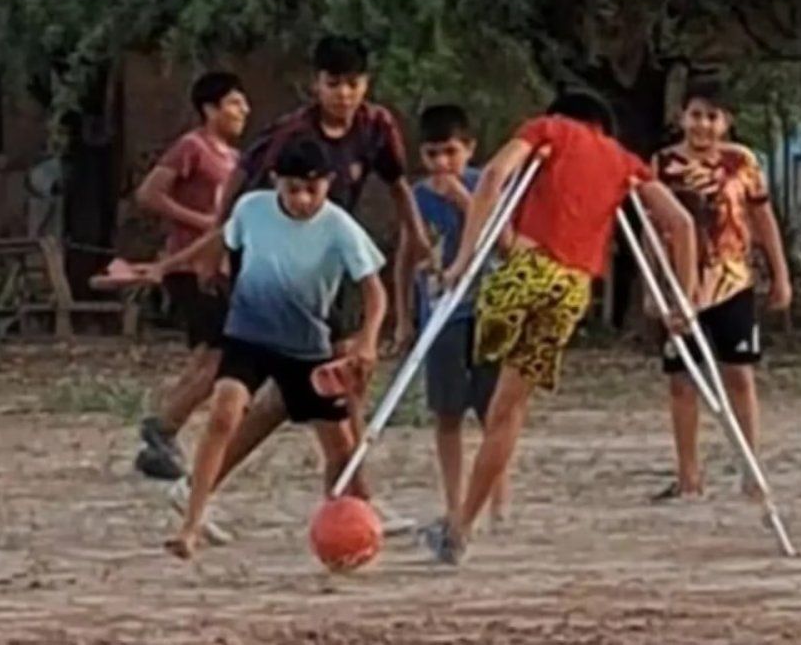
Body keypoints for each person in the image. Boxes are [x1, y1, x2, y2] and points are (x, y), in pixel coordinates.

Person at [419, 90, 699, 564]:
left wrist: (464, 261)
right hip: (572, 289)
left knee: (482, 396)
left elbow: (493, 176)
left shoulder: (547, 130)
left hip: (526, 271)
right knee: (507, 409)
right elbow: (683, 223)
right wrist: (685, 302)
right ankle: (464, 523)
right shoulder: (623, 159)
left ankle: (461, 522)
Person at [169, 35, 429, 534]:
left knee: (308, 390)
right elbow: (244, 185)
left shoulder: (377, 126)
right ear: (317, 84)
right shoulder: (293, 135)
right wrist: (218, 249)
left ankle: (346, 497)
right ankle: (354, 499)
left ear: (366, 84)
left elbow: (397, 183)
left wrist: (415, 237)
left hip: (330, 265)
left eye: (353, 84)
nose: (344, 94)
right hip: (279, 271)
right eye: (334, 84)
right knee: (323, 383)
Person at [142, 136, 387, 560]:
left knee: (341, 450)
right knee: (224, 412)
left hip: (307, 350)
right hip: (249, 338)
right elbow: (221, 238)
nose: (304, 199)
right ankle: (191, 526)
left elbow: (374, 292)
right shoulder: (252, 208)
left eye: (314, 189)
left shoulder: (339, 227)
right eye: (293, 189)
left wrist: (367, 340)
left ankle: (352, 530)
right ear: (276, 181)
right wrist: (167, 265)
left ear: (328, 183)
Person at [647, 81, 792, 503]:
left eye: (712, 117)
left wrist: (780, 275)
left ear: (726, 122)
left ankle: (749, 467)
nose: (703, 125)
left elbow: (763, 219)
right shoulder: (663, 164)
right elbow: (652, 226)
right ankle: (688, 475)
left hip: (731, 281)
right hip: (681, 285)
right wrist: (653, 288)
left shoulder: (741, 162)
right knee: (682, 380)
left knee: (739, 375)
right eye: (696, 115)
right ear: (682, 118)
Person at [393, 104, 509, 530]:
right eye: (432, 154)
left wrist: (466, 201)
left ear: (470, 149)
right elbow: (405, 258)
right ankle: (454, 501)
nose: (442, 163)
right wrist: (404, 318)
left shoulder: (487, 184)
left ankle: (496, 502)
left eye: (451, 152)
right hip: (440, 312)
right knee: (447, 412)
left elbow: (508, 244)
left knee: (493, 410)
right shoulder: (418, 196)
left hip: (488, 309)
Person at [134, 71, 249, 482]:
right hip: (188, 265)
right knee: (218, 357)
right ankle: (163, 426)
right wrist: (203, 222)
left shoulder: (234, 159)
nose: (243, 111)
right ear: (210, 109)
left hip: (218, 268)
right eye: (234, 103)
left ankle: (162, 433)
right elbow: (149, 194)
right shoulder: (192, 147)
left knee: (207, 356)